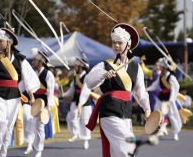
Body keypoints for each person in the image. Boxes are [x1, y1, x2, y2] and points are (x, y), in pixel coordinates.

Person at [86, 23, 150, 157]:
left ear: (128, 45)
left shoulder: (136, 68)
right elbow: (88, 81)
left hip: (126, 111)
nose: (116, 45)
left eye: (119, 42)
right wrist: (102, 75)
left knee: (117, 151)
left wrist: (147, 109)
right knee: (129, 143)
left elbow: (140, 92)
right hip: (109, 109)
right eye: (114, 42)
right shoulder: (105, 65)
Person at [0, 28, 39, 157]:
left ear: (8, 43)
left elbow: (27, 81)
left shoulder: (21, 61)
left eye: (0, 41)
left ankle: (3, 154)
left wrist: (32, 97)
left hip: (14, 97)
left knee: (9, 127)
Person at [23, 48, 55, 157]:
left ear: (41, 61)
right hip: (31, 100)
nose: (32, 62)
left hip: (43, 103)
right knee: (28, 119)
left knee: (40, 127)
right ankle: (29, 144)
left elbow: (50, 91)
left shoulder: (48, 74)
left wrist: (49, 106)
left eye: (34, 60)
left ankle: (39, 150)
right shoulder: (31, 72)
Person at [146, 58, 182, 141]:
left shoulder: (171, 77)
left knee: (172, 115)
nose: (159, 68)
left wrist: (170, 100)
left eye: (161, 67)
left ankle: (175, 132)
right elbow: (155, 85)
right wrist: (148, 89)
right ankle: (161, 131)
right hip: (161, 97)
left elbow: (175, 89)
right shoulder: (161, 77)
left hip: (169, 98)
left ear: (164, 68)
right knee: (157, 113)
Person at [62, 58, 92, 147]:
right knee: (71, 116)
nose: (74, 67)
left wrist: (81, 102)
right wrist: (65, 94)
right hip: (76, 100)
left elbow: (86, 91)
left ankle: (86, 139)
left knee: (85, 120)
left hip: (85, 100)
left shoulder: (87, 77)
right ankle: (75, 133)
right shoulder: (76, 78)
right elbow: (72, 89)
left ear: (80, 66)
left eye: (75, 66)